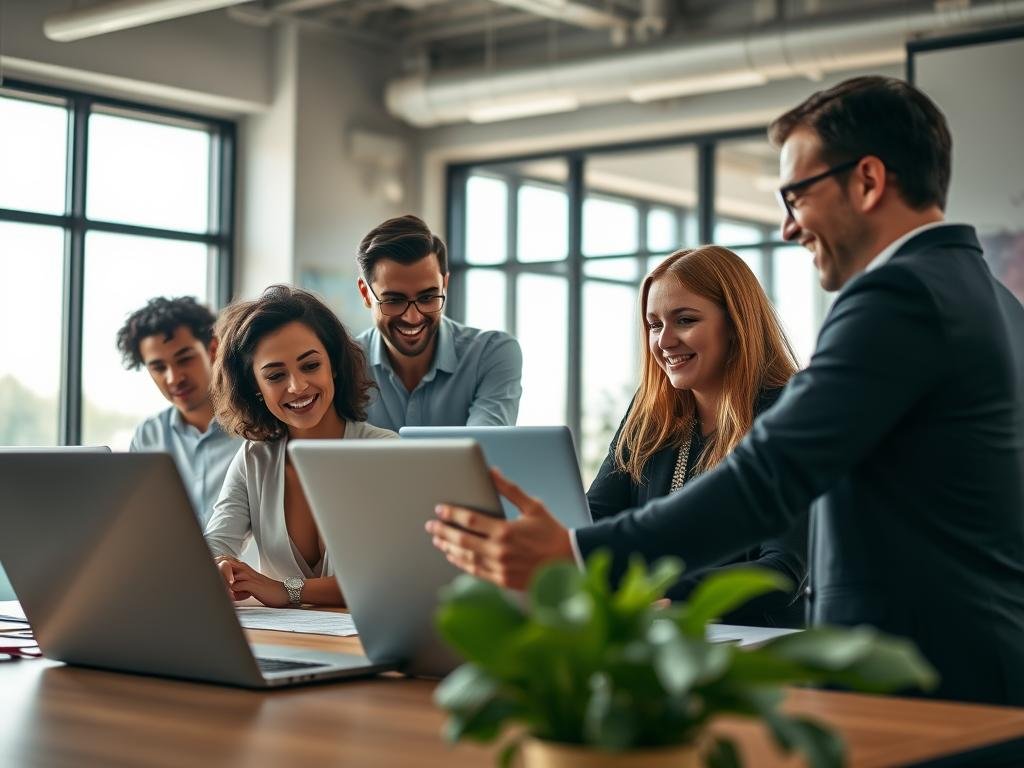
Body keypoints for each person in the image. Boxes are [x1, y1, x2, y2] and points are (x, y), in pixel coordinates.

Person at [426, 76, 1024, 706]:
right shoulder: (994, 300)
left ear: (868, 181)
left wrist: (576, 554)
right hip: (979, 663)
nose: (790, 228)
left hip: (929, 683)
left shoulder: (896, 296)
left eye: (796, 196)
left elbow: (767, 479)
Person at [587, 245, 806, 627]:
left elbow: (780, 571)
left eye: (684, 320)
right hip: (658, 633)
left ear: (736, 324)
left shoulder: (792, 412)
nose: (665, 341)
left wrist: (663, 593)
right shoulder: (650, 413)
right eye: (655, 325)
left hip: (760, 646)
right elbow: (594, 517)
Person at [205, 285, 395, 608]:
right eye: (275, 375)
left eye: (310, 366)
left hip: (371, 643)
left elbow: (390, 579)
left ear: (333, 364)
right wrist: (220, 566)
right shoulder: (255, 458)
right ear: (256, 387)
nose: (297, 386)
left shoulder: (387, 453)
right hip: (283, 643)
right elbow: (214, 544)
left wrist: (286, 589)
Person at [355, 214, 523, 431]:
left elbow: (486, 449)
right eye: (394, 300)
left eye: (427, 298)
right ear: (366, 293)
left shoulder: (491, 353)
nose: (413, 317)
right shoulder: (344, 363)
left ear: (444, 284)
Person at [116, 296, 242, 527]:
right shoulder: (149, 436)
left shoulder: (254, 427)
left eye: (185, 359)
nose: (174, 378)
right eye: (158, 367)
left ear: (213, 349)